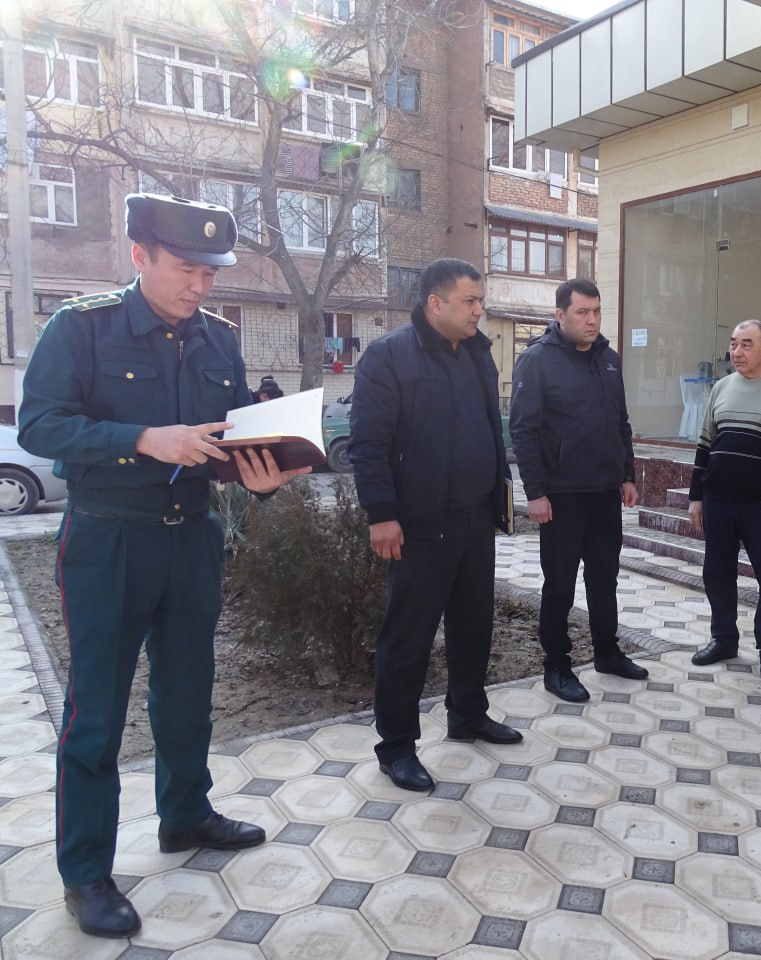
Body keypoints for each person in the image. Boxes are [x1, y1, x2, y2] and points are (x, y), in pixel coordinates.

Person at [18, 194, 310, 939]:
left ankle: (185, 814)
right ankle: (86, 871)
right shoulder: (81, 327)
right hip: (108, 541)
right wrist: (144, 439)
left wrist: (260, 474)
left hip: (191, 540)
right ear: (140, 256)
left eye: (211, 273)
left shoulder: (218, 339)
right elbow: (40, 425)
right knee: (96, 712)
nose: (200, 286)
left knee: (187, 694)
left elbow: (226, 440)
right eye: (186, 269)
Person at [348, 258, 521, 793]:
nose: (479, 311)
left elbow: (488, 430)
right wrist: (382, 514)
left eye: (480, 300)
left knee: (474, 625)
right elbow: (368, 444)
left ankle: (467, 713)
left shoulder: (477, 354)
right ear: (435, 303)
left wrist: (499, 497)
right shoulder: (389, 357)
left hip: (476, 517)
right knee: (409, 637)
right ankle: (397, 746)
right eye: (470, 301)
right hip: (420, 524)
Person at [509, 277, 649, 702]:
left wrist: (627, 475)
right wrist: (535, 492)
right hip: (561, 496)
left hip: (604, 492)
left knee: (604, 580)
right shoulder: (537, 360)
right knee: (560, 585)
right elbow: (523, 430)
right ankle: (557, 666)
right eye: (582, 312)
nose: (592, 320)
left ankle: (607, 652)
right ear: (560, 315)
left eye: (597, 311)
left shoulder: (609, 359)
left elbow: (620, 422)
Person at [686, 319, 761, 682]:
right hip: (719, 499)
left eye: (746, 344)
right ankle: (723, 639)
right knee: (717, 574)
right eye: (733, 344)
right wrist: (696, 496)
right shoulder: (721, 388)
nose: (736, 352)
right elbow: (705, 445)